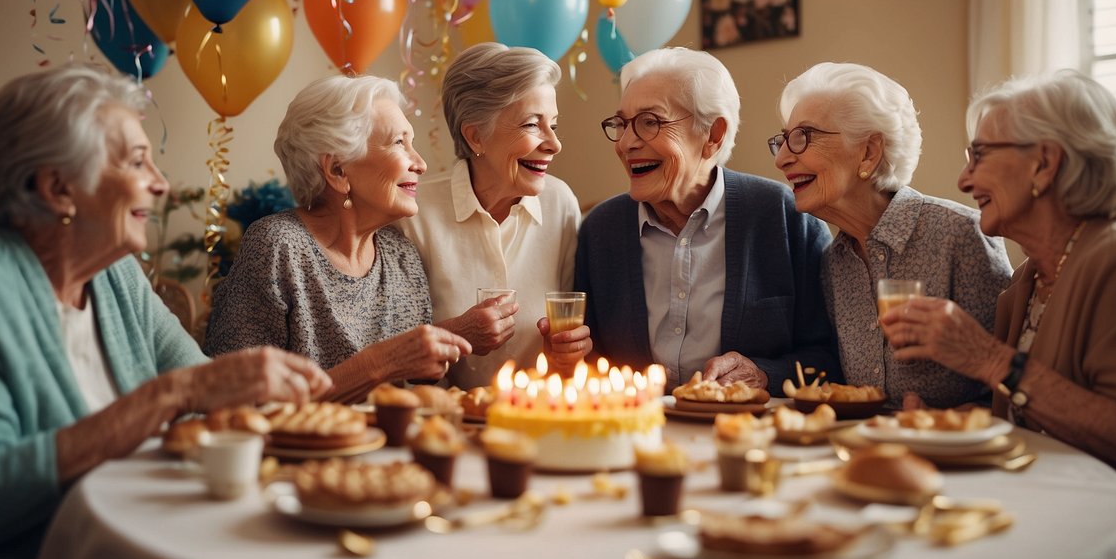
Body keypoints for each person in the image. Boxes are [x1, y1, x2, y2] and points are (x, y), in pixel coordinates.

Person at [0, 65, 331, 559]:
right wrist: (171, 397)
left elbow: (204, 393)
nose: (160, 183)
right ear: (57, 188)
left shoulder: (116, 276)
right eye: (136, 162)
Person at [883, 70, 1116, 559]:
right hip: (1039, 530)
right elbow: (1029, 426)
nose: (963, 180)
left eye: (980, 156)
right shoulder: (1026, 283)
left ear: (1044, 163)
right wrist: (936, 427)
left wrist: (989, 359)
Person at [575, 47, 838, 394]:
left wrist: (763, 374)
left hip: (752, 440)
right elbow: (588, 359)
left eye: (650, 122)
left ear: (713, 135)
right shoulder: (601, 230)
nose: (625, 143)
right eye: (622, 124)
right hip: (637, 438)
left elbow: (832, 359)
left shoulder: (787, 218)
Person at [205, 75, 473, 402]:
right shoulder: (278, 247)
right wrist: (378, 364)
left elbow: (422, 394)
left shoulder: (401, 256)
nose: (421, 163)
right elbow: (234, 396)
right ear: (338, 171)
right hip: (298, 453)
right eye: (399, 143)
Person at [774, 62, 1012, 408]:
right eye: (782, 141)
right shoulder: (833, 262)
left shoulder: (960, 235)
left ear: (869, 151)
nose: (781, 159)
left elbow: (1012, 387)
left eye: (802, 138)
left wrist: (942, 424)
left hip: (957, 454)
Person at [397, 43, 589, 388]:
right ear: (475, 136)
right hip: (441, 426)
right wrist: (457, 334)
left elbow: (569, 346)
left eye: (554, 126)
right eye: (533, 125)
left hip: (539, 419)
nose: (554, 144)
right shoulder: (415, 213)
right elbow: (392, 353)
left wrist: (569, 350)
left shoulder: (560, 203)